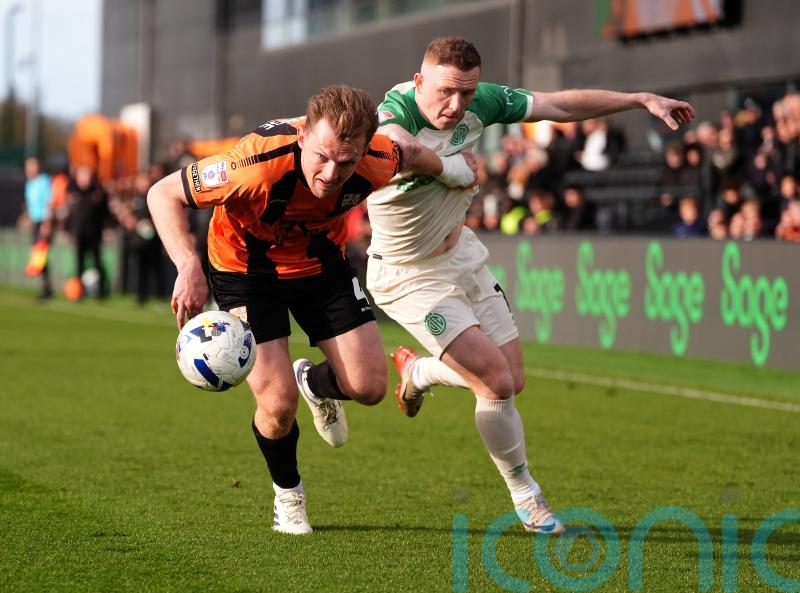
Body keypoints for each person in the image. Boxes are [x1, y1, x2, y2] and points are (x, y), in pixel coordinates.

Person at [367, 36, 695, 534]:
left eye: (468, 94)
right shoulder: (395, 110)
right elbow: (404, 150)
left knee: (510, 379)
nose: (456, 106)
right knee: (495, 382)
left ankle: (422, 375)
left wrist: (637, 99)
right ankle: (528, 497)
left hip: (463, 255)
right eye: (446, 92)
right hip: (410, 277)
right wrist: (456, 171)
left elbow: (558, 104)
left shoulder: (481, 102)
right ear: (419, 83)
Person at [146, 85, 476, 535]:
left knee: (370, 386)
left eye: (346, 161)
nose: (331, 172)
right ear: (303, 137)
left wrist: (456, 170)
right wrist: (188, 265)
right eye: (322, 156)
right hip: (245, 272)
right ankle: (289, 495)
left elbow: (413, 153)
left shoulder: (379, 157)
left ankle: (315, 383)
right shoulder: (253, 164)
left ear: (364, 151)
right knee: (277, 403)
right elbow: (162, 194)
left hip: (321, 267)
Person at [23, 157, 54, 299]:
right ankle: (46, 288)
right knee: (39, 255)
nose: (29, 169)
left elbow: (49, 203)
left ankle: (46, 289)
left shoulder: (44, 182)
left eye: (32, 166)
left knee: (40, 255)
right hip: (35, 222)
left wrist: (46, 223)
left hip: (43, 222)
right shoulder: (30, 183)